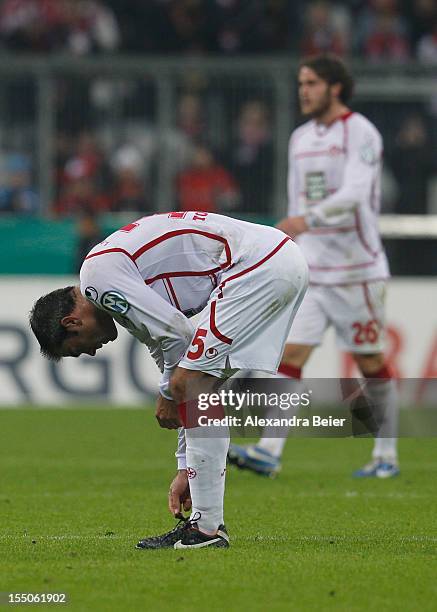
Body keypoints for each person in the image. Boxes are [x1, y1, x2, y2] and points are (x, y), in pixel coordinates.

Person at [29, 211, 308, 549]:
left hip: (256, 268)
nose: (90, 354)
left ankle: (206, 530)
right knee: (198, 388)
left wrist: (167, 394)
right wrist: (186, 466)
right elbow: (175, 359)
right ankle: (205, 525)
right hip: (271, 261)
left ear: (72, 322)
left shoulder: (98, 281)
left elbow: (178, 337)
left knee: (189, 386)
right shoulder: (117, 290)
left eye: (77, 350)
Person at [228, 54, 400, 479]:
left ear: (334, 87)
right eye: (301, 83)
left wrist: (310, 220)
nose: (303, 90)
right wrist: (293, 242)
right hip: (314, 270)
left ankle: (386, 456)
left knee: (370, 361)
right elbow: (295, 202)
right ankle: (269, 451)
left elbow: (358, 193)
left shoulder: (360, 132)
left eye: (312, 83)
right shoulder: (300, 137)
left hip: (357, 270)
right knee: (290, 354)